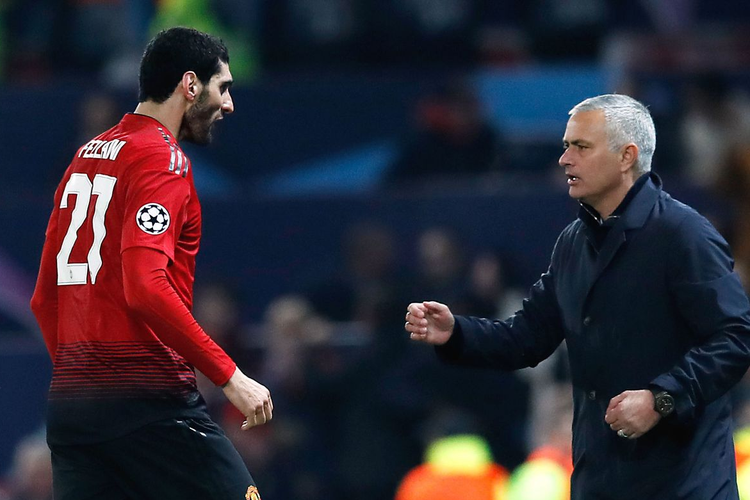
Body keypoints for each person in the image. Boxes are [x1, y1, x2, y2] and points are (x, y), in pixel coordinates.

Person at [405, 93, 750, 499]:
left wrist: (661, 399)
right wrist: (456, 334)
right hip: (599, 482)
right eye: (566, 146)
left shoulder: (683, 235)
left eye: (580, 147)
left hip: (681, 485)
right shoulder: (574, 243)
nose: (564, 160)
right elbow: (527, 338)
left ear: (627, 156)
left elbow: (736, 338)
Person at [29, 27, 272, 500]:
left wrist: (85, 381)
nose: (229, 105)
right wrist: (231, 376)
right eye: (223, 88)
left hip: (73, 411)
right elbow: (145, 285)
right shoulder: (162, 159)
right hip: (149, 404)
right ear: (190, 85)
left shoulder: (84, 157)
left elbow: (44, 298)